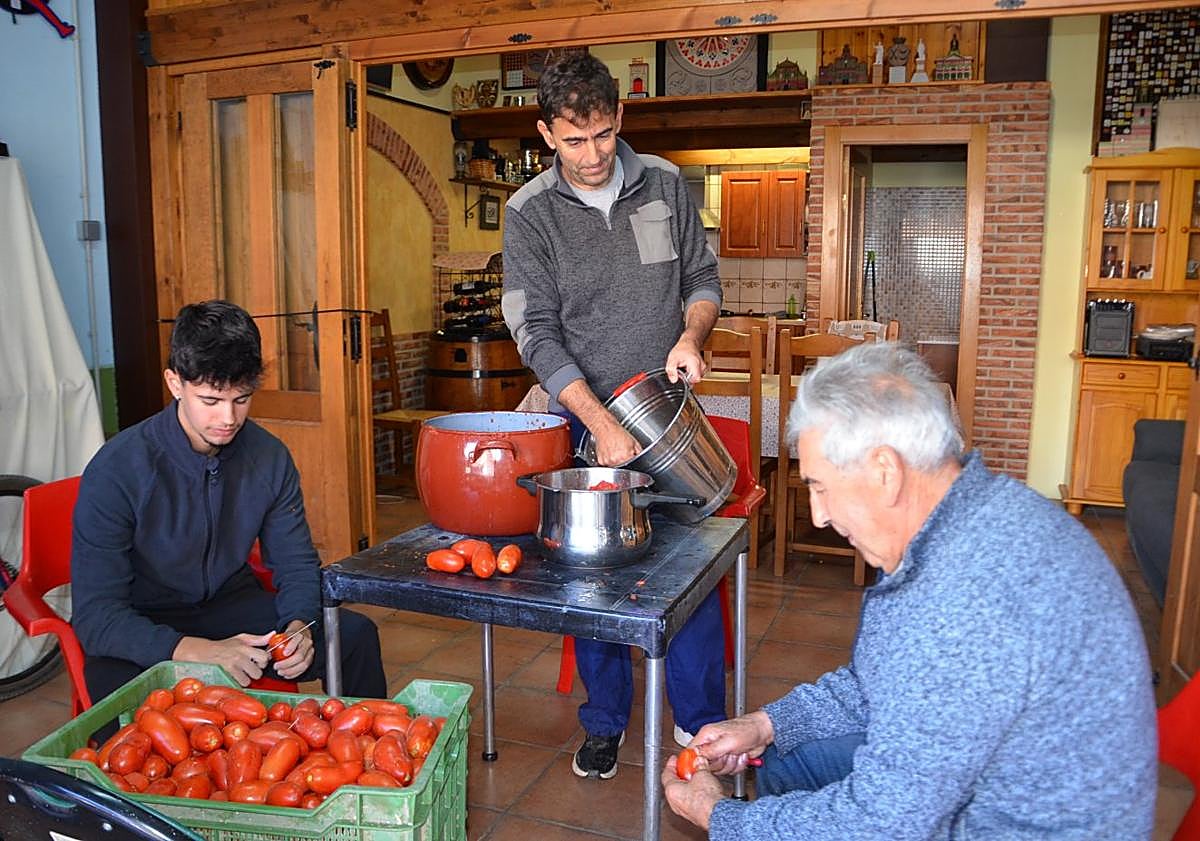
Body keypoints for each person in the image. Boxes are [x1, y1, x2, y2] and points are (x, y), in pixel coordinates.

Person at [662, 342, 1158, 839]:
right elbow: (881, 678)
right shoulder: (971, 516)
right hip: (994, 781)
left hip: (1018, 824)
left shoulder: (962, 594)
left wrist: (718, 816)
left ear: (885, 472)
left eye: (819, 486)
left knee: (785, 796)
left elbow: (883, 822)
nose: (819, 515)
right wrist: (766, 725)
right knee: (785, 763)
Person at [501, 52, 725, 780]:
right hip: (582, 422)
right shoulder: (529, 213)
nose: (592, 155)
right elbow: (536, 333)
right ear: (546, 133)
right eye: (574, 140)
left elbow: (700, 278)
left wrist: (692, 335)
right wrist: (595, 419)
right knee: (589, 581)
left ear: (619, 118)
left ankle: (701, 725)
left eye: (601, 134)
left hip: (666, 413)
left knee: (689, 572)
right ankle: (604, 722)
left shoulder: (662, 183)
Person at [72, 300, 387, 729]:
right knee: (124, 726)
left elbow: (295, 563)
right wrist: (196, 649)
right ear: (174, 383)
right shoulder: (117, 469)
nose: (228, 418)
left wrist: (299, 626)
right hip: (143, 619)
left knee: (354, 637)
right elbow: (96, 617)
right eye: (210, 400)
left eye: (241, 399)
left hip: (230, 605)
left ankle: (367, 772)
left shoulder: (269, 458)